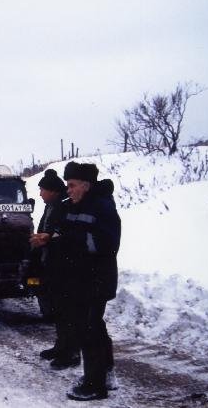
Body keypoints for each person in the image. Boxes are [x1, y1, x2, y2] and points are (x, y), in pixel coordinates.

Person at [51, 162, 120, 401]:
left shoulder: (102, 207)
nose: (67, 190)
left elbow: (106, 245)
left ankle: (94, 384)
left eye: (71, 185)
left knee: (88, 330)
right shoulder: (72, 205)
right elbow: (63, 233)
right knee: (95, 327)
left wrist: (68, 239)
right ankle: (106, 374)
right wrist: (52, 237)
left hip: (96, 280)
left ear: (85, 185)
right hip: (79, 280)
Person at [30, 169, 81, 370]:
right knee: (58, 311)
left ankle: (71, 353)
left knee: (67, 312)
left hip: (64, 268)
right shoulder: (51, 206)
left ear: (52, 191)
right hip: (52, 264)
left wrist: (46, 240)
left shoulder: (64, 208)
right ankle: (61, 347)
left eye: (42, 189)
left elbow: (64, 237)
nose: (40, 194)